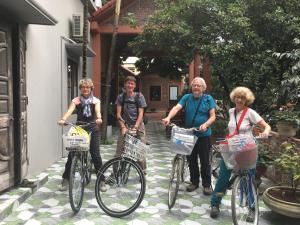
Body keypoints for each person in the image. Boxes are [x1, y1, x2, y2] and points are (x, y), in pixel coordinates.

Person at [210, 86, 271, 220]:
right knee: (223, 177)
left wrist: (265, 131)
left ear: (246, 100)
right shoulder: (231, 112)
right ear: (234, 98)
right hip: (232, 148)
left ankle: (251, 208)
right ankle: (215, 204)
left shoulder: (250, 113)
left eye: (242, 98)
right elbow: (232, 130)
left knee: (249, 178)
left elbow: (266, 126)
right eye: (237, 97)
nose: (239, 100)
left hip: (246, 149)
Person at [162, 77, 216, 195]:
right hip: (190, 133)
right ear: (191, 87)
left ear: (203, 88)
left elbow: (213, 116)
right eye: (194, 85)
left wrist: (206, 124)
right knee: (191, 159)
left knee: (204, 160)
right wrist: (168, 117)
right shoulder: (187, 97)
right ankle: (194, 182)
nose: (196, 87)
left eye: (198, 85)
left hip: (204, 135)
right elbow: (177, 107)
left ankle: (206, 185)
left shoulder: (208, 99)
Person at [57, 78, 106, 192]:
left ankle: (101, 180)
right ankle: (66, 179)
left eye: (88, 87)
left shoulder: (95, 101)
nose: (85, 89)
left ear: (91, 88)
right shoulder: (76, 100)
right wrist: (63, 119)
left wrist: (99, 118)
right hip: (79, 128)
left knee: (95, 155)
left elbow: (98, 111)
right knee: (72, 154)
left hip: (92, 127)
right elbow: (70, 111)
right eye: (83, 87)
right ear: (80, 88)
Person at [115, 76, 147, 172]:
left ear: (135, 85)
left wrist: (136, 127)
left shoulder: (139, 96)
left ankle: (143, 171)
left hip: (138, 125)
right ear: (125, 84)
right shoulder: (121, 97)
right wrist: (122, 127)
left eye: (132, 83)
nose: (130, 85)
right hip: (125, 125)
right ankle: (116, 172)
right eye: (128, 83)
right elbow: (118, 114)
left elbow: (141, 113)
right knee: (119, 150)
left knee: (140, 149)